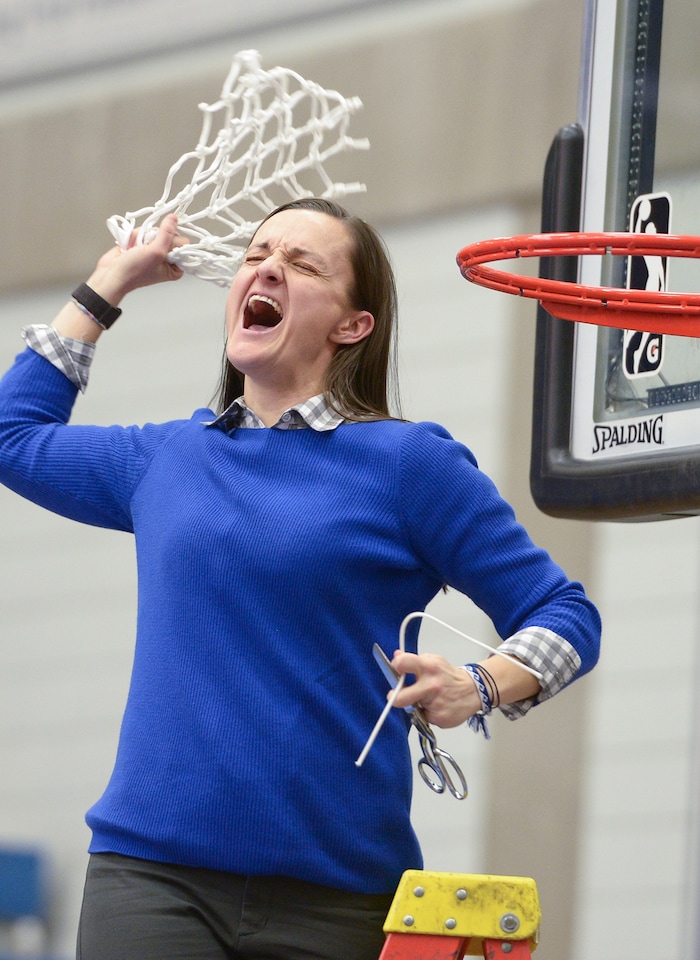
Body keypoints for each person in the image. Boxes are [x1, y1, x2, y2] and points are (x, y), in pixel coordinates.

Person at [0, 198, 601, 960]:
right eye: (257, 255)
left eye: (303, 263)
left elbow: (566, 613)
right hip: (151, 883)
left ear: (353, 326)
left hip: (337, 900)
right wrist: (104, 285)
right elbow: (13, 436)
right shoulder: (167, 458)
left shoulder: (410, 466)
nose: (267, 268)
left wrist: (482, 684)